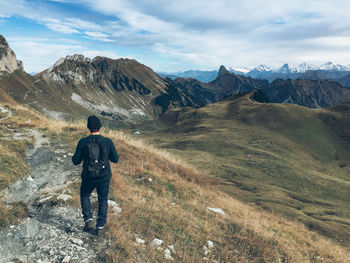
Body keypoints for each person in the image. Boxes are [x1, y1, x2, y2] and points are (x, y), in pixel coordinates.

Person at [72, 115, 119, 236]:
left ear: (88, 127)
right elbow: (116, 159)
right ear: (100, 127)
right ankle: (100, 227)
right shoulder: (107, 142)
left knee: (85, 194)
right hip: (104, 176)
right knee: (103, 199)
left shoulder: (83, 142)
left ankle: (88, 220)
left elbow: (75, 161)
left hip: (88, 176)